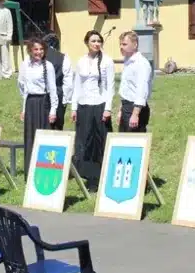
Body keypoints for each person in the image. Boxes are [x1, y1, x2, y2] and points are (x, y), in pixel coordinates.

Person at [71, 31, 115, 182]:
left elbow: (110, 86)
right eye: (93, 41)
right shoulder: (81, 61)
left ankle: (102, 172)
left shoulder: (107, 61)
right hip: (84, 105)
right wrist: (74, 108)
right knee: (85, 139)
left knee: (100, 140)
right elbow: (77, 85)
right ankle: (86, 172)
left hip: (100, 104)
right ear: (87, 43)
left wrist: (108, 108)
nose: (96, 44)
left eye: (99, 41)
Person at [18, 38, 58, 158]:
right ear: (30, 50)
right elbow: (23, 87)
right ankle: (30, 166)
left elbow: (53, 89)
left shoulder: (48, 66)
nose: (39, 52)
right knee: (31, 135)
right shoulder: (25, 65)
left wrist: (53, 110)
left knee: (44, 134)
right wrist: (24, 109)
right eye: (36, 49)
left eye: (41, 49)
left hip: (43, 102)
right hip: (31, 103)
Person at [117, 31, 153, 133]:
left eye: (124, 44)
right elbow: (126, 88)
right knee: (123, 142)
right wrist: (121, 110)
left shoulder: (141, 63)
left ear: (135, 44)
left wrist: (135, 114)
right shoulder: (128, 61)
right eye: (120, 44)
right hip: (126, 106)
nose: (121, 47)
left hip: (135, 108)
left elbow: (142, 90)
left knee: (134, 142)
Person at [43, 33, 73, 131]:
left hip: (41, 95)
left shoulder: (38, 57)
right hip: (59, 94)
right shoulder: (63, 58)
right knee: (57, 128)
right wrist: (66, 100)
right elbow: (68, 83)